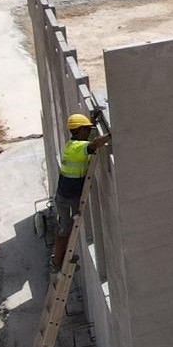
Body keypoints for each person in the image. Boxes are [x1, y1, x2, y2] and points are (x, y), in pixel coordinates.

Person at [50, 112, 111, 270]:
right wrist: (112, 133)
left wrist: (91, 121)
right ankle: (58, 262)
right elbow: (93, 144)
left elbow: (86, 140)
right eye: (87, 129)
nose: (89, 132)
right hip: (69, 197)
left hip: (64, 194)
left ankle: (60, 259)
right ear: (79, 131)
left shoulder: (72, 143)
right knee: (65, 229)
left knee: (65, 227)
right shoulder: (79, 148)